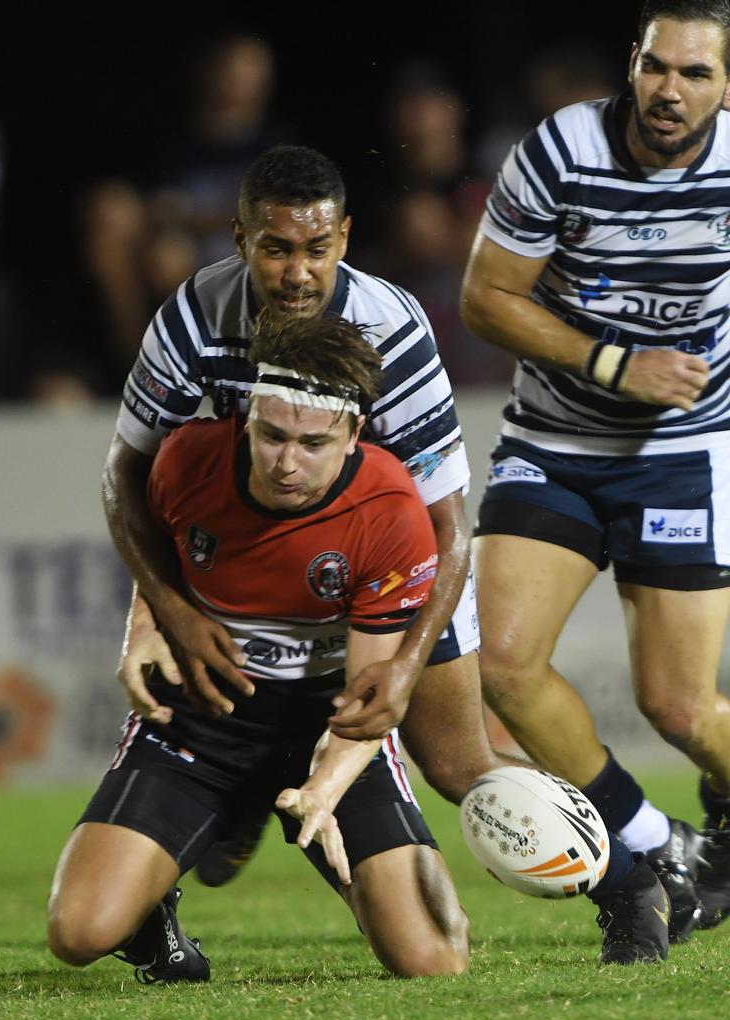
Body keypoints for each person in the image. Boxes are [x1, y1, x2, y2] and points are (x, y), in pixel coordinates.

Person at [102, 144, 668, 964]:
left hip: (386, 566)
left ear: (345, 238)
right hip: (252, 574)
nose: (298, 272)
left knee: (456, 759)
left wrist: (404, 664)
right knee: (197, 701)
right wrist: (165, 608)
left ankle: (631, 880)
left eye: (317, 248)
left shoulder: (392, 328)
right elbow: (128, 473)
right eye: (276, 248)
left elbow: (447, 521)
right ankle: (212, 836)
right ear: (239, 240)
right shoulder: (191, 318)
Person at [48, 313, 470, 981]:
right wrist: (147, 627)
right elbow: (157, 545)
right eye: (271, 435)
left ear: (354, 433)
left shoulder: (390, 510)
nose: (285, 462)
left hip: (322, 724)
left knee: (434, 959)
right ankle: (155, 914)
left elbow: (365, 699)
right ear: (246, 416)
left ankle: (269, 809)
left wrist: (322, 790)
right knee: (77, 933)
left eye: (312, 443)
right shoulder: (188, 458)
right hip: (204, 712)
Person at [461, 0, 730, 944]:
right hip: (556, 441)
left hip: (681, 454)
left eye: (695, 74)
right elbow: (486, 297)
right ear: (633, 63)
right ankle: (659, 846)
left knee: (681, 706)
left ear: (725, 86)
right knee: (503, 665)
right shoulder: (563, 149)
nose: (669, 90)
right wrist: (615, 365)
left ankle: (722, 818)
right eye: (657, 67)